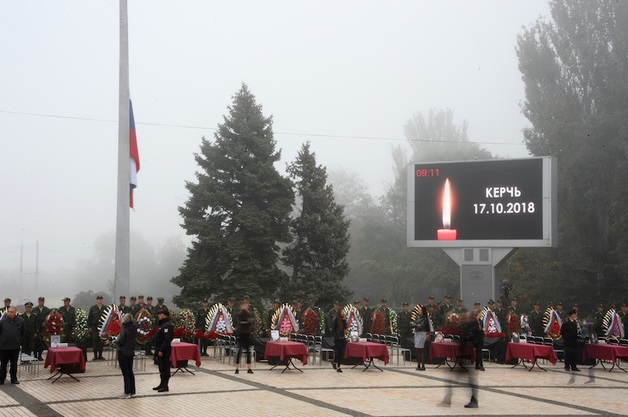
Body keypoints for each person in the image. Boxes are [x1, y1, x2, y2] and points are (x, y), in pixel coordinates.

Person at [0, 306, 25, 384]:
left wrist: (18, 341)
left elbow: (23, 333)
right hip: (4, 347)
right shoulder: (2, 321)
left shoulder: (20, 321)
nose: (10, 313)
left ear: (15, 312)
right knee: (3, 364)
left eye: (11, 312)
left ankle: (13, 379)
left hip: (15, 347)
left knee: (14, 364)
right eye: (9, 312)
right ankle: (1, 379)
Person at [115, 313, 136, 398]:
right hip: (130, 352)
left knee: (125, 373)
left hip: (123, 352)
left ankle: (127, 392)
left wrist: (116, 341)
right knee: (130, 371)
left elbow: (121, 340)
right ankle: (132, 391)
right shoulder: (134, 327)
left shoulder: (124, 328)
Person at [153, 310, 173, 392]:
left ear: (164, 315)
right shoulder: (161, 325)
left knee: (165, 367)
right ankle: (161, 383)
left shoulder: (167, 326)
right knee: (161, 367)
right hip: (159, 348)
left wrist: (161, 350)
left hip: (164, 350)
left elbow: (167, 340)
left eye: (160, 314)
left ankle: (165, 385)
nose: (158, 316)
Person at [234, 299, 254, 374]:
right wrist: (247, 322)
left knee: (248, 351)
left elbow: (251, 322)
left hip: (247, 333)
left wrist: (249, 322)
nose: (246, 306)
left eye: (247, 304)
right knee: (239, 350)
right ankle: (237, 368)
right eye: (245, 304)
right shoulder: (239, 314)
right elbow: (239, 322)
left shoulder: (249, 313)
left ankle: (249, 368)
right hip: (241, 333)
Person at [87, 295, 105, 361]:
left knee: (101, 341)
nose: (100, 300)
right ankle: (95, 356)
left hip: (102, 327)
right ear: (96, 300)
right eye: (98, 299)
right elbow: (89, 318)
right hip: (94, 327)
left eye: (101, 299)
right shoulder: (93, 308)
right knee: (95, 341)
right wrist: (89, 327)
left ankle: (100, 355)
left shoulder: (105, 308)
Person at [33, 296, 50, 361]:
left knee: (41, 343)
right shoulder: (34, 310)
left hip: (43, 329)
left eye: (42, 301)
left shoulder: (47, 310)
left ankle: (40, 355)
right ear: (38, 301)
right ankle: (35, 356)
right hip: (35, 329)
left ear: (44, 302)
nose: (41, 302)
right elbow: (33, 320)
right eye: (40, 301)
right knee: (35, 343)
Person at [412, 305, 428, 371]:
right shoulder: (418, 317)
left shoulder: (425, 318)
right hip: (417, 333)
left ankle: (423, 365)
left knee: (421, 350)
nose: (419, 311)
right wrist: (416, 325)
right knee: (417, 350)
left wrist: (416, 325)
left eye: (420, 310)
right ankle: (418, 364)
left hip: (421, 333)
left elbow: (421, 326)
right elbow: (414, 324)